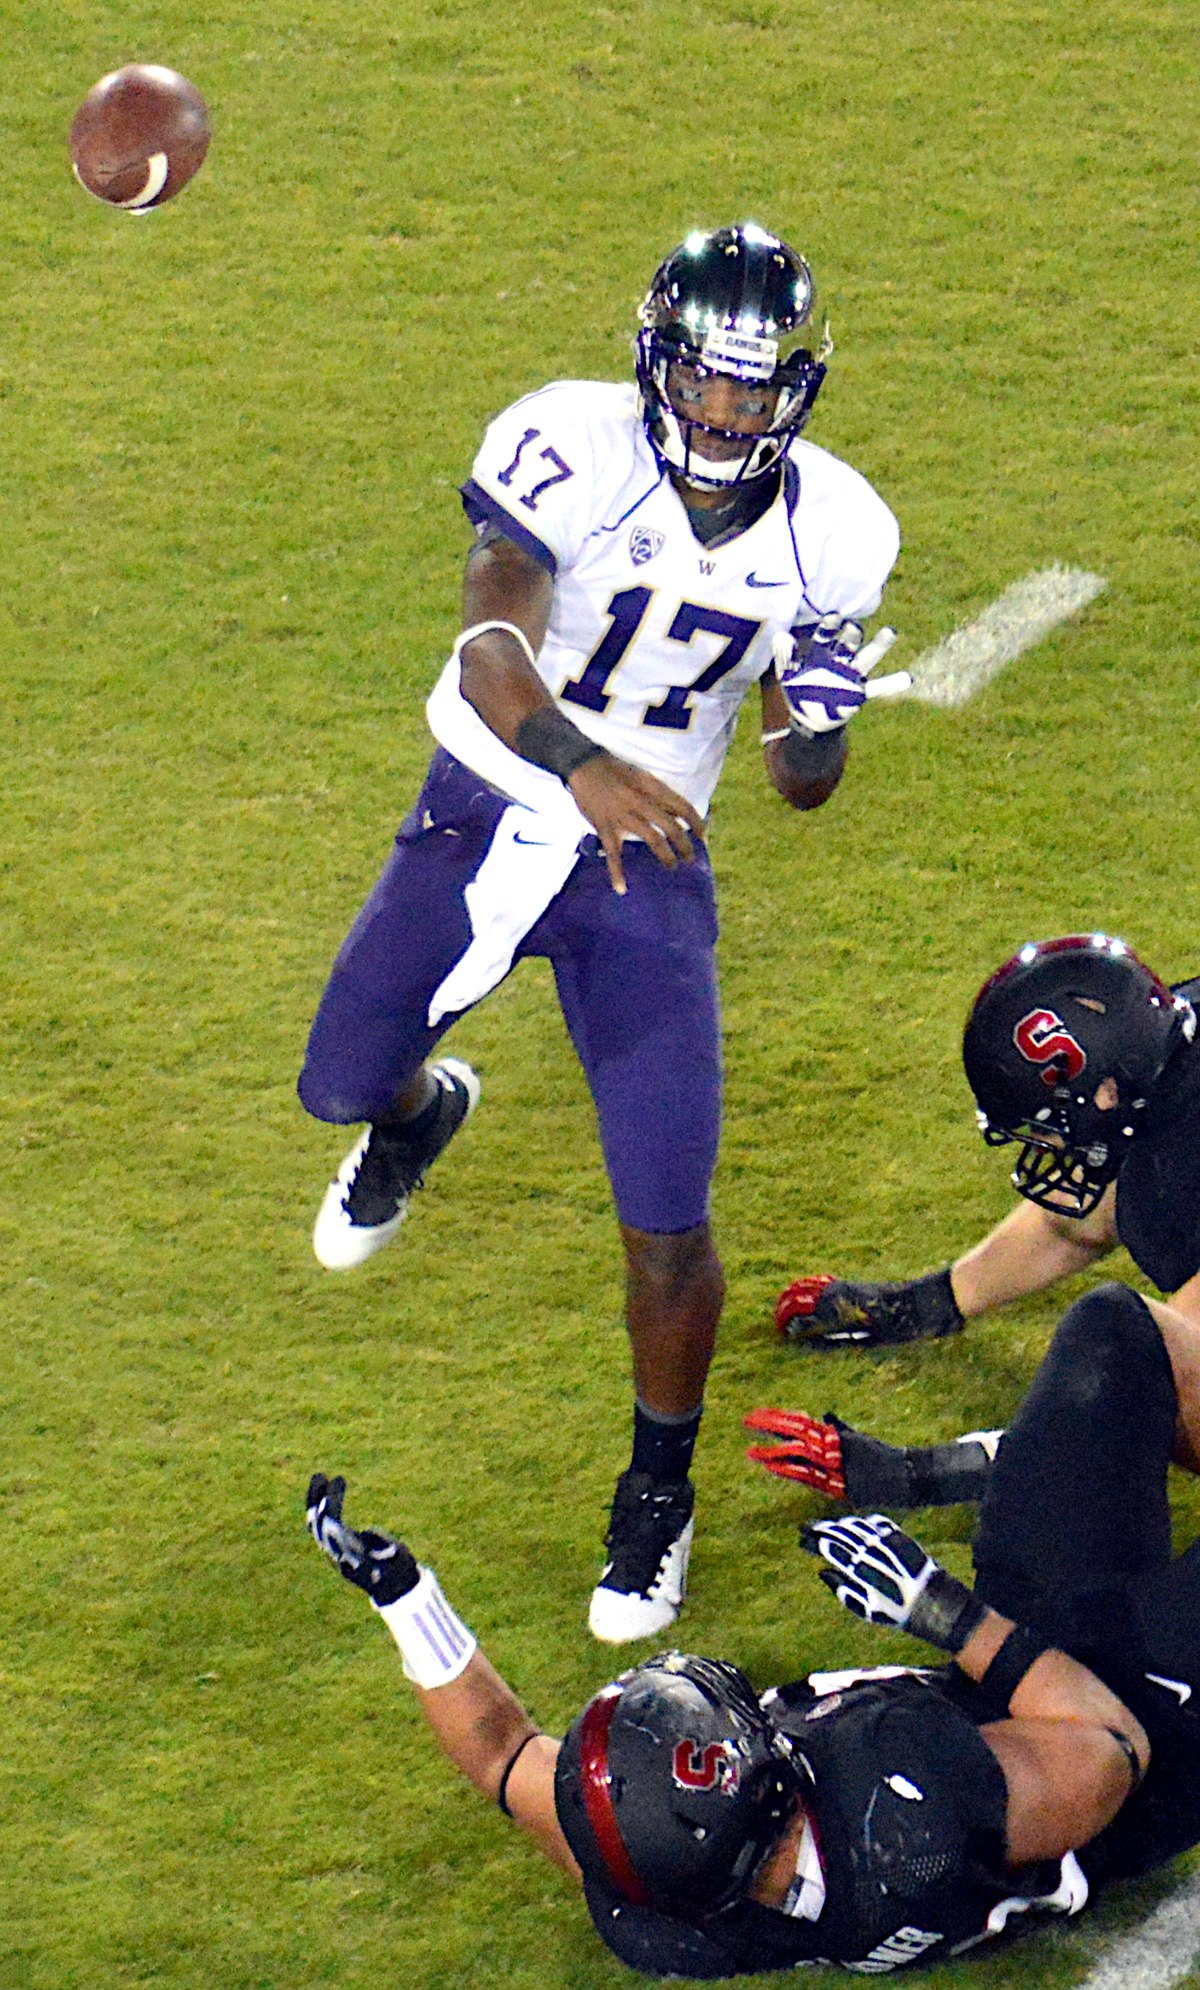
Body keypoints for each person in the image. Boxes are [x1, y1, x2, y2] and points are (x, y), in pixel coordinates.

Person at [297, 222, 902, 1640]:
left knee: (666, 1214)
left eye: (755, 391)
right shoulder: (568, 442)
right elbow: (490, 642)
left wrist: (815, 723)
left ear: (794, 393)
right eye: (706, 379)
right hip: (491, 804)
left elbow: (797, 785)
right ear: (656, 358)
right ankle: (413, 1112)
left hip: (649, 869)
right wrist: (584, 765)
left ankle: (659, 1489)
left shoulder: (840, 528)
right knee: (336, 1079)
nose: (724, 413)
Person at [305, 1279, 1200, 1976]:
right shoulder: (897, 1812)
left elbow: (502, 1757)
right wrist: (938, 1608)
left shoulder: (654, 1893)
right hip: (1131, 1731)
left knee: (1113, 1335)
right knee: (1115, 1347)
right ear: (772, 1794)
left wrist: (406, 1599)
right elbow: (1112, 1745)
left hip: (1007, 1705)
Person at [776, 931, 1200, 1349]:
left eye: (1048, 1124)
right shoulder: (1166, 1046)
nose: (1046, 1143)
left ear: (1107, 1093)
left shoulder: (1176, 1165)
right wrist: (922, 1306)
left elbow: (1183, 1378)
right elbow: (1083, 1217)